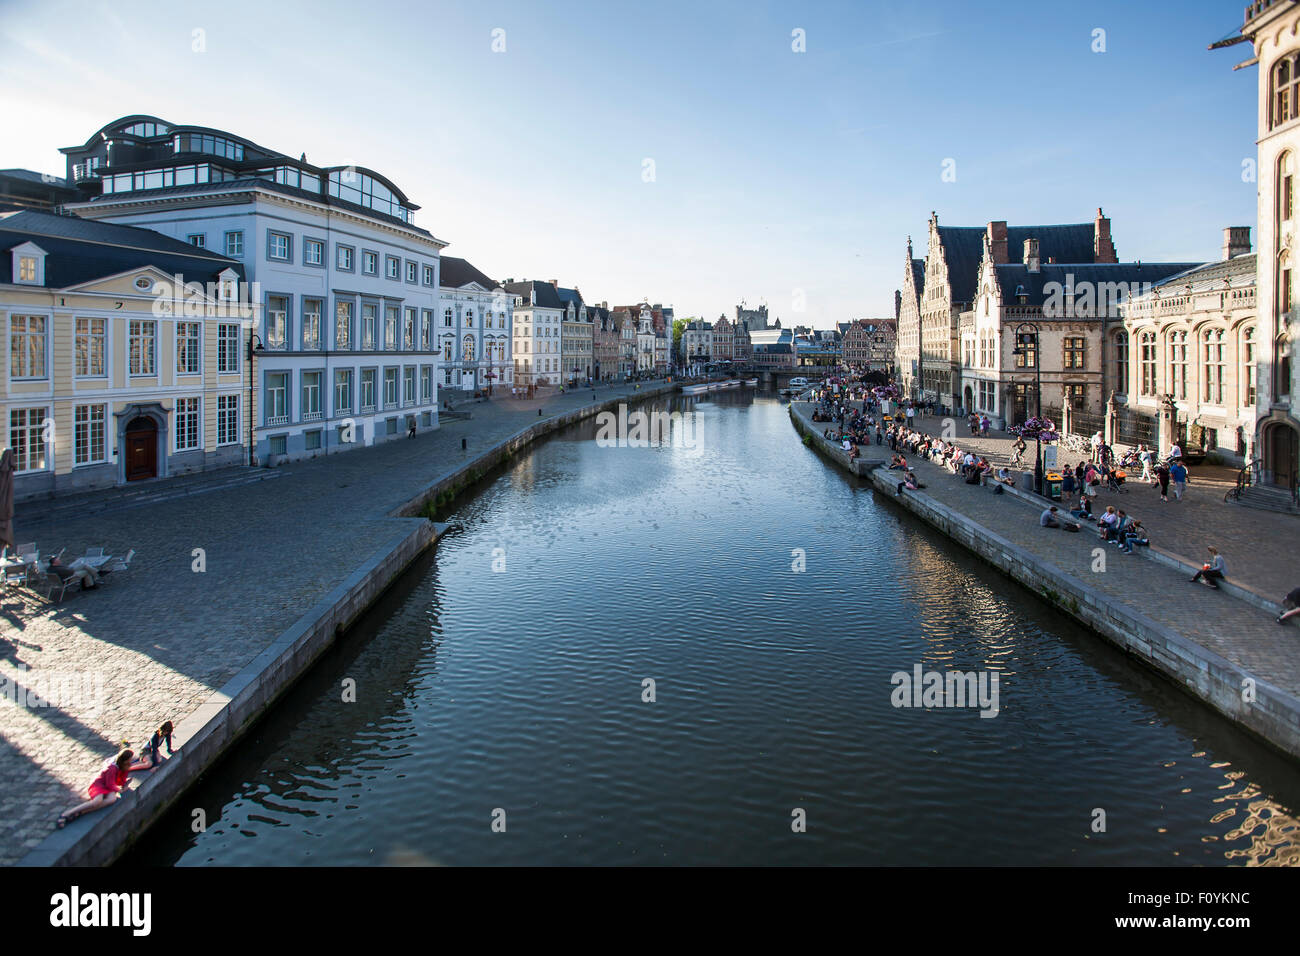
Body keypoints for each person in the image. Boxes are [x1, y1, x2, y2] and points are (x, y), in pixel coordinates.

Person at [57, 746, 135, 828]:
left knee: (112, 799)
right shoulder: (112, 768)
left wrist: (124, 784)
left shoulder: (126, 766)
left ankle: (82, 812)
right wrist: (119, 790)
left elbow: (120, 781)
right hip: (99, 784)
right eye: (130, 758)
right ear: (125, 759)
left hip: (109, 785)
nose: (132, 760)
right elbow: (109, 784)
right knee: (97, 801)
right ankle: (67, 814)